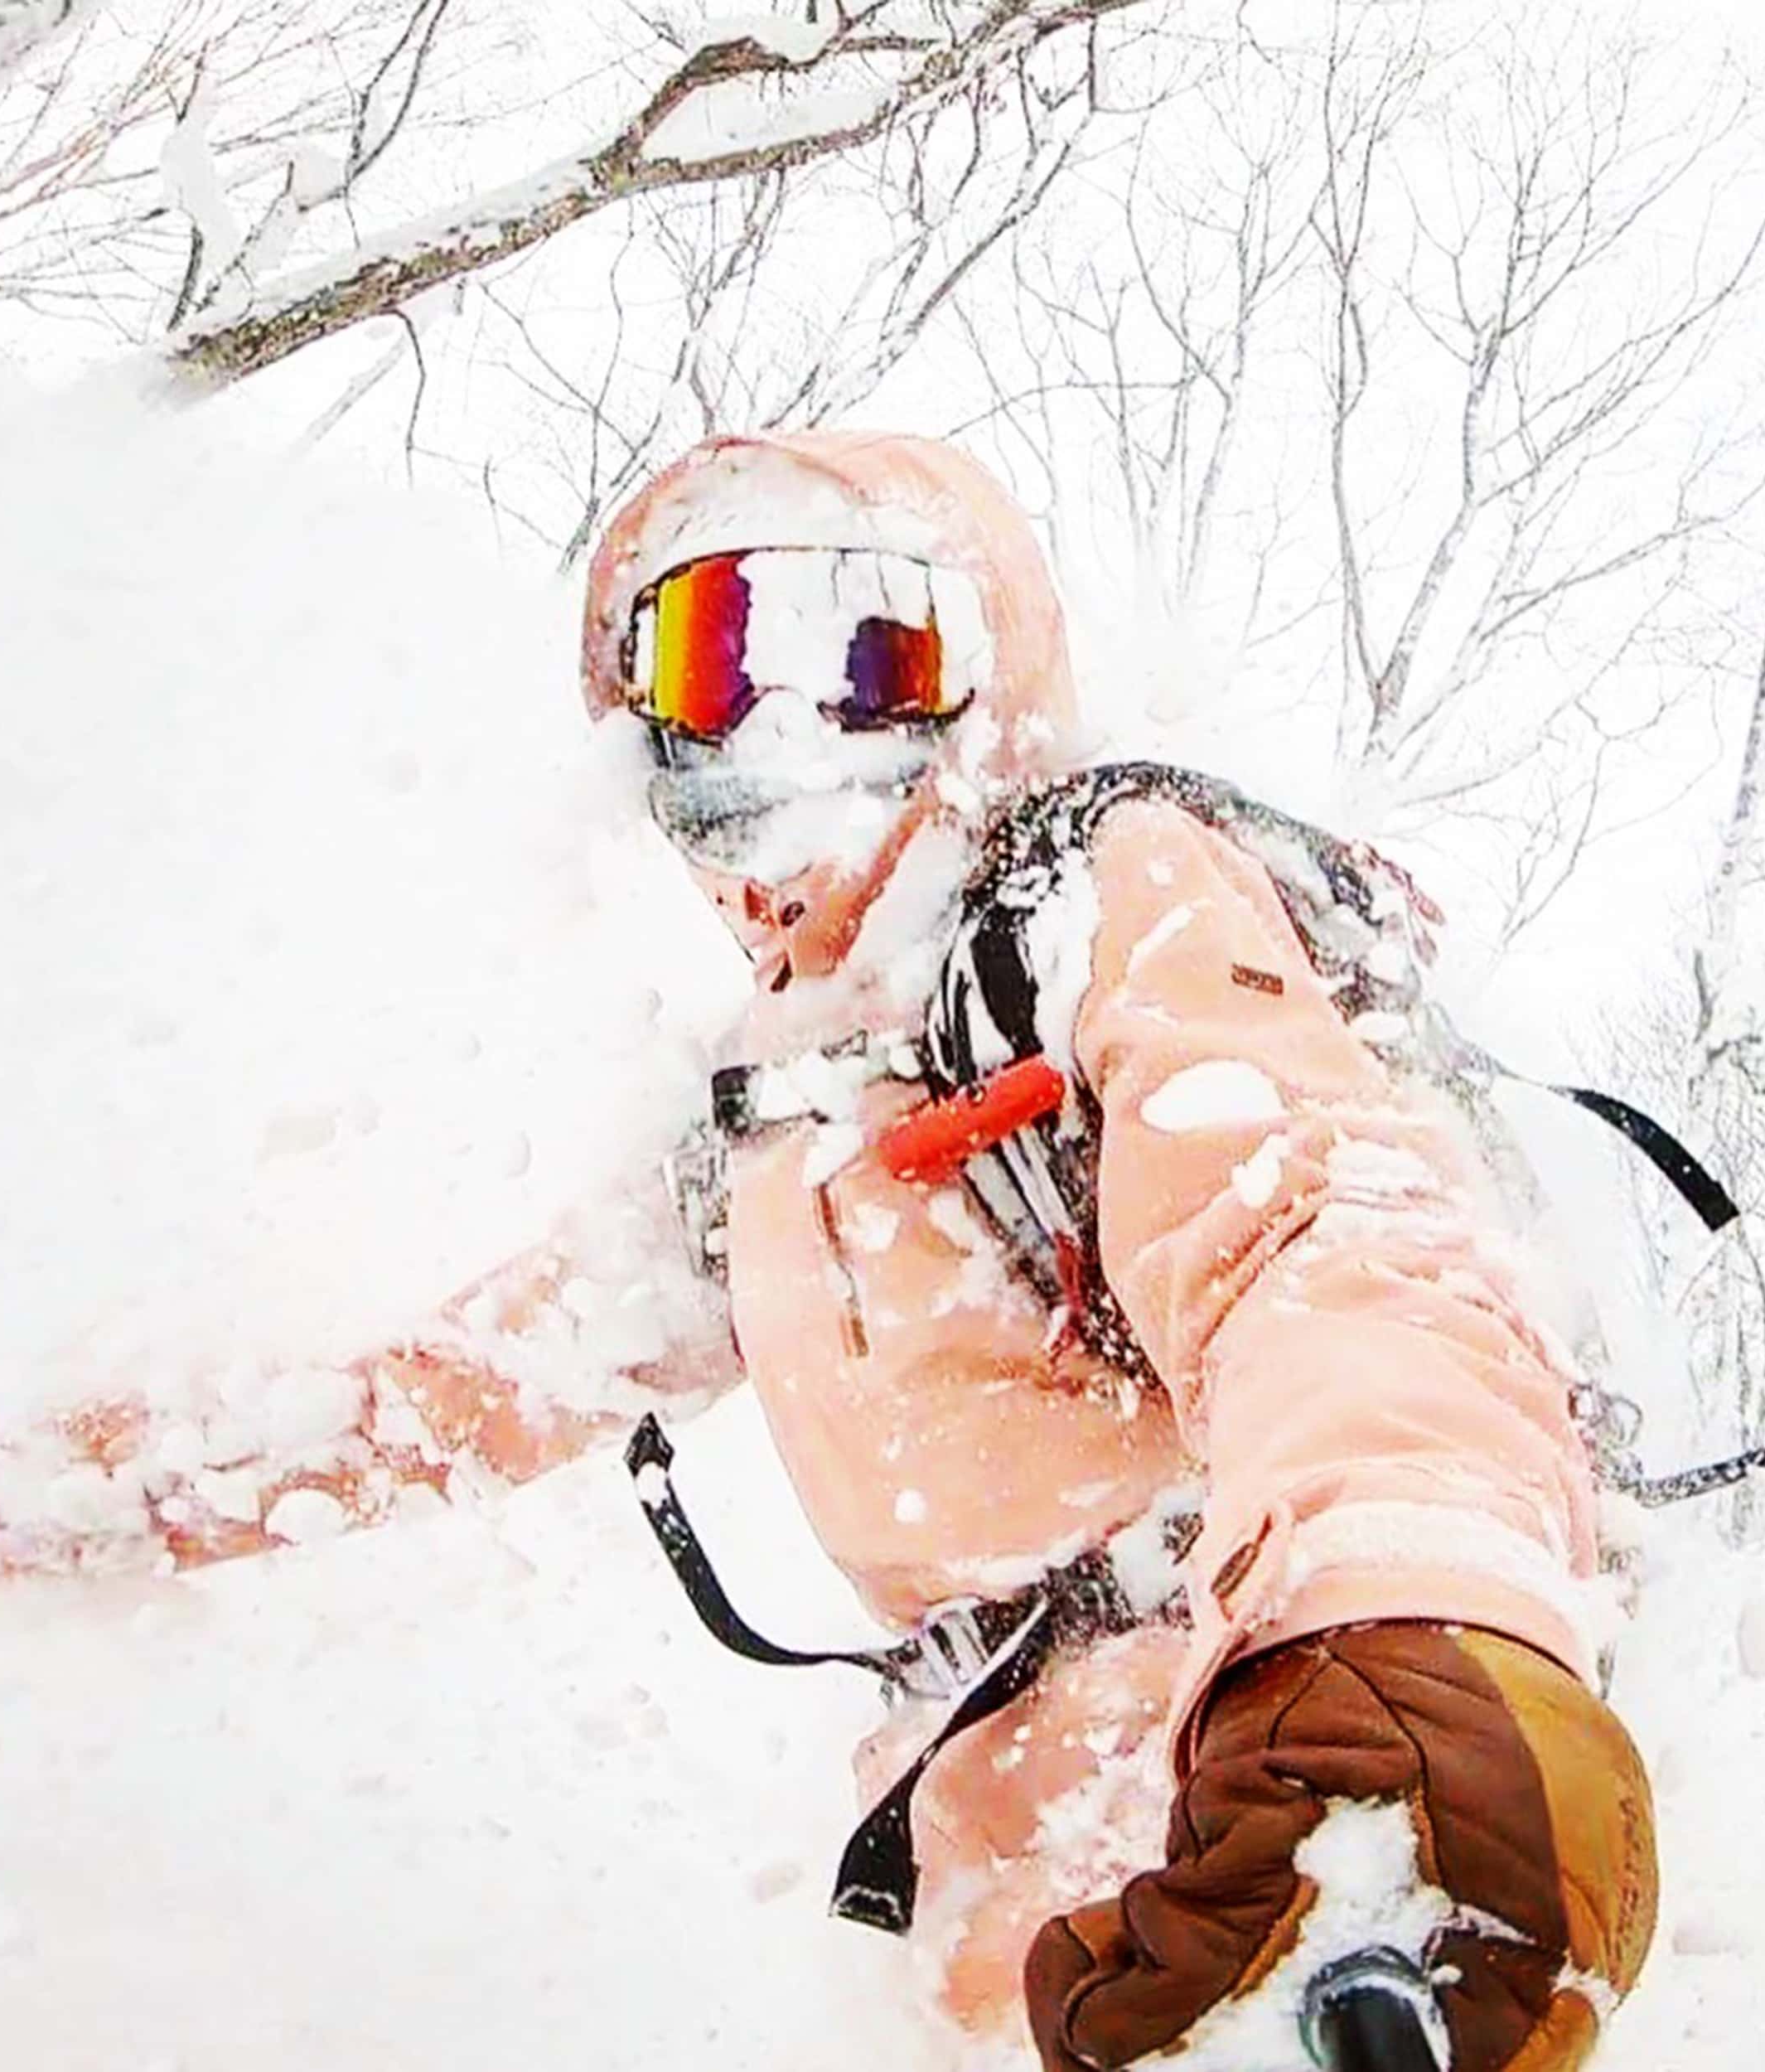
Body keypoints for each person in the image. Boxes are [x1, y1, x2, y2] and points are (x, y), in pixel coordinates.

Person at [579, 430, 1657, 2072]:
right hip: (992, 1908)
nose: (790, 724)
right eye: (715, 659)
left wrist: (1402, 1633)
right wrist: (163, 1482)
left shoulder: (1096, 898)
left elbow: (1313, 1233)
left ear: (984, 663)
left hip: (1242, 1801)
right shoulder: (756, 1116)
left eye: (870, 649)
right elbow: (477, 1377)